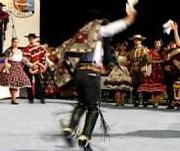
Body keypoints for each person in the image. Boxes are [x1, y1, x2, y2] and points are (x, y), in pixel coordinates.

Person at [58, 9, 136, 151]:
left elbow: (63, 52)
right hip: (91, 73)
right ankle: (85, 137)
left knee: (82, 103)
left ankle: (70, 128)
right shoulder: (98, 30)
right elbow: (117, 27)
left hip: (78, 74)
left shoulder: (81, 33)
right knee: (93, 107)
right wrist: (129, 18)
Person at [0, 38, 31, 104]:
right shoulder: (9, 51)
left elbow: (24, 60)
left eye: (17, 42)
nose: (16, 43)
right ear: (12, 43)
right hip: (11, 67)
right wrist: (6, 68)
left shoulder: (21, 51)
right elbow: (5, 60)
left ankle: (14, 98)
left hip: (19, 68)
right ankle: (13, 99)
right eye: (14, 42)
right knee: (12, 84)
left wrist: (31, 65)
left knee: (17, 83)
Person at [138, 38, 166, 108]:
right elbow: (149, 60)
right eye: (155, 43)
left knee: (157, 88)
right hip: (151, 69)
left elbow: (165, 60)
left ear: (161, 44)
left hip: (159, 70)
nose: (157, 45)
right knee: (148, 86)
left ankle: (156, 103)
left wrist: (160, 61)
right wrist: (159, 61)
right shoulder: (151, 51)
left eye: (158, 43)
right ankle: (145, 101)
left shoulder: (164, 51)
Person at [103, 41, 132, 106]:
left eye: (124, 46)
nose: (122, 47)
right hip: (117, 70)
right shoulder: (117, 53)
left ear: (126, 47)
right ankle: (118, 101)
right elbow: (112, 60)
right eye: (121, 46)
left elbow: (130, 61)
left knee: (123, 87)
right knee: (118, 87)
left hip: (124, 69)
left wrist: (125, 64)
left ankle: (122, 101)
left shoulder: (128, 53)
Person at [23, 33, 47, 104]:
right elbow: (25, 60)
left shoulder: (39, 47)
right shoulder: (26, 48)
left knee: (39, 82)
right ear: (28, 39)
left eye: (32, 38)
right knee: (29, 83)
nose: (31, 40)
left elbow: (43, 57)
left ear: (34, 39)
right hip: (29, 67)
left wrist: (39, 65)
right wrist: (31, 65)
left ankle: (42, 97)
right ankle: (30, 98)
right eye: (30, 38)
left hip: (38, 66)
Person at [127, 34, 150, 107]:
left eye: (138, 40)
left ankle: (145, 100)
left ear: (141, 41)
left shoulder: (145, 49)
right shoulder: (131, 51)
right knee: (135, 85)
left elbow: (148, 59)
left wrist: (139, 65)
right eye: (135, 40)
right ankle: (136, 100)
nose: (136, 41)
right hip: (134, 69)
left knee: (144, 84)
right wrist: (132, 66)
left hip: (142, 68)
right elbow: (129, 60)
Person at [163, 41, 180, 109]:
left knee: (177, 88)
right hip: (168, 73)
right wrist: (165, 67)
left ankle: (178, 103)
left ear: (176, 44)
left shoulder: (179, 51)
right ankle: (171, 103)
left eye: (173, 44)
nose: (171, 45)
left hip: (176, 72)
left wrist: (171, 68)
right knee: (169, 88)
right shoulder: (166, 52)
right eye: (170, 44)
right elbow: (164, 61)